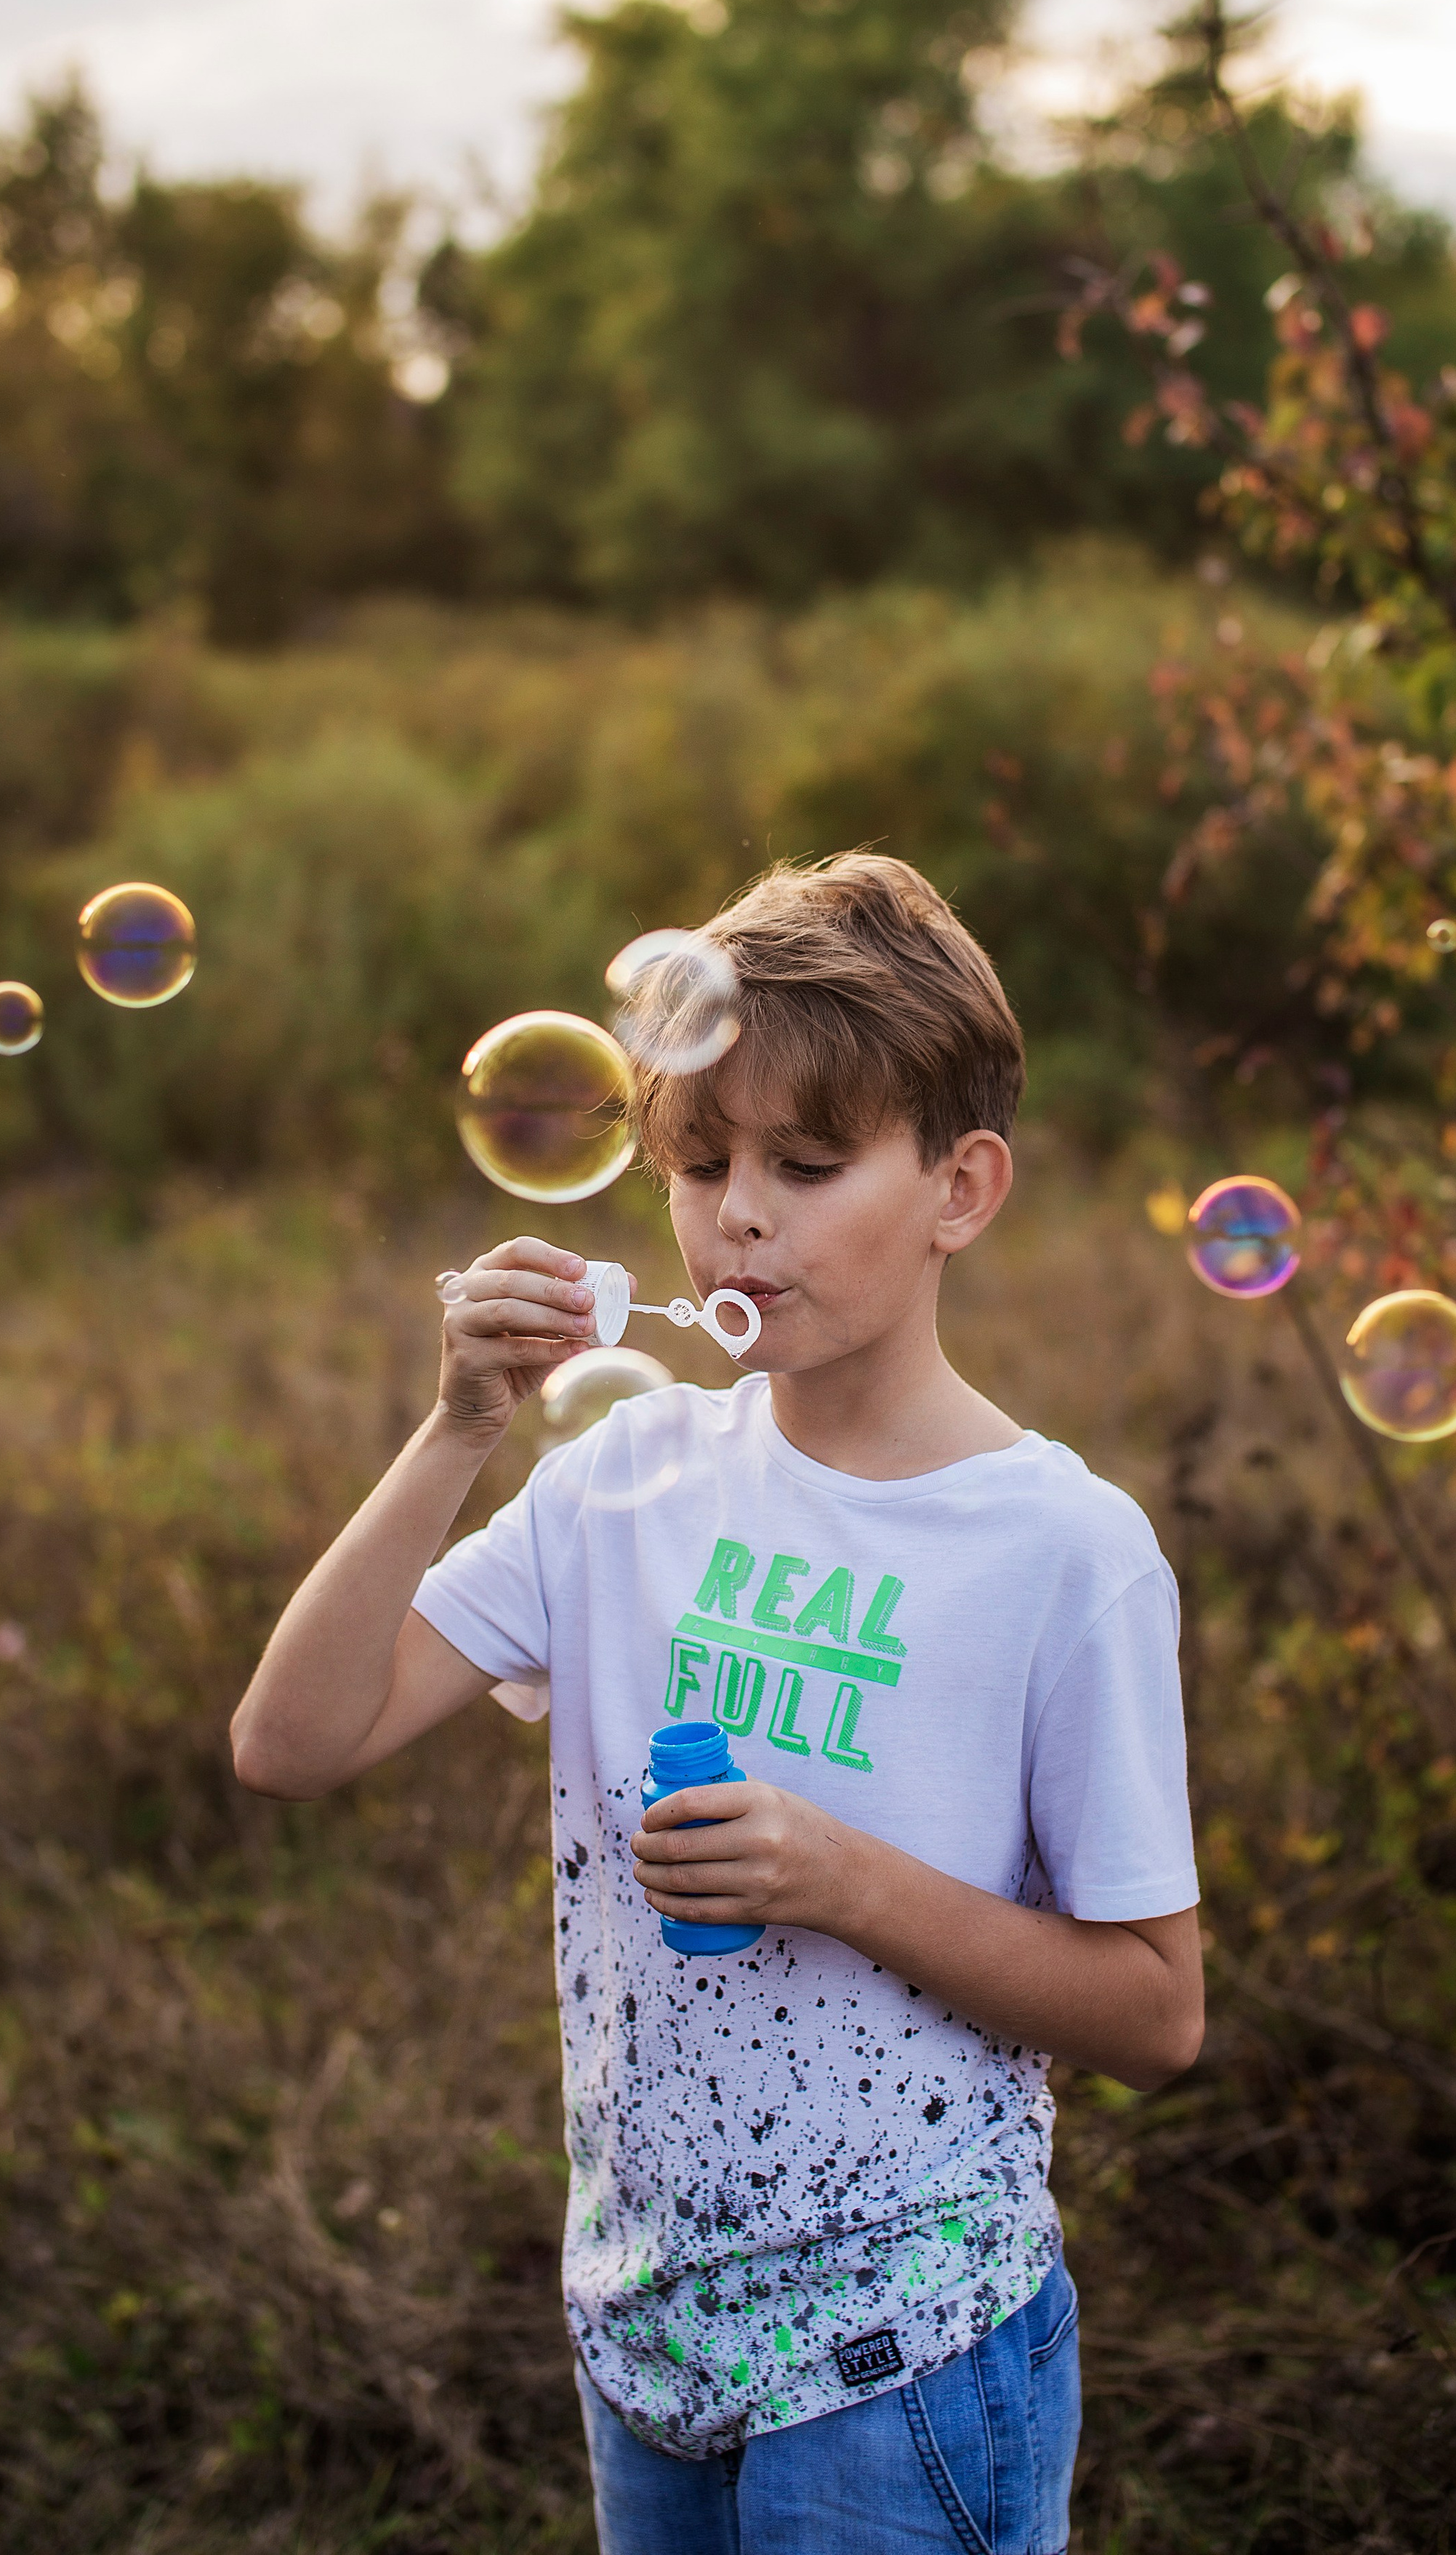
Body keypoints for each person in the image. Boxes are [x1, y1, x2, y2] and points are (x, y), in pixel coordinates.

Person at [230, 852, 1203, 2555]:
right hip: (641, 2337)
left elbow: (1151, 2014)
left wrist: (841, 1881)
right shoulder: (625, 1475)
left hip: (905, 2364)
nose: (736, 1213)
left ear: (961, 1188)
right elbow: (288, 1743)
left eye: (806, 1166)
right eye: (701, 1163)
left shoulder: (1060, 1549)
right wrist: (457, 1424)